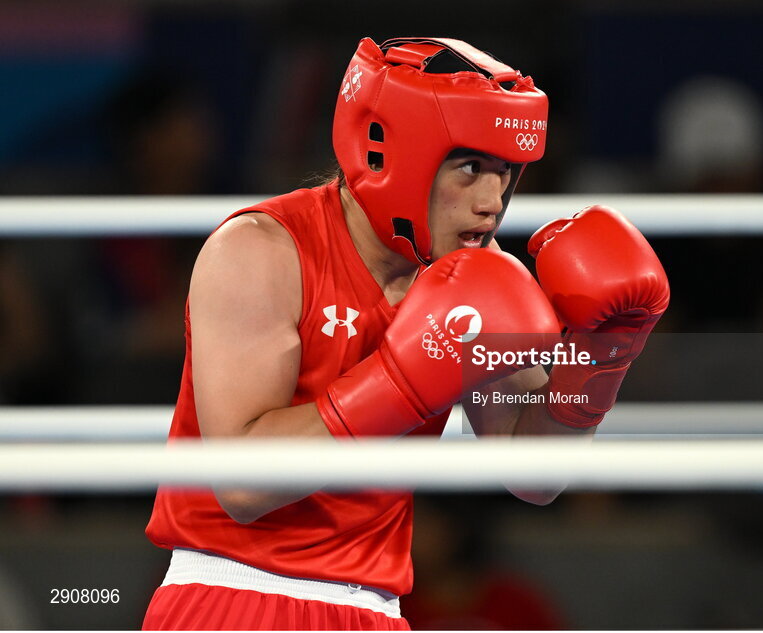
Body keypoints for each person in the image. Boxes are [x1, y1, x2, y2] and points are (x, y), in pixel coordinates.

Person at [142, 36, 669, 630]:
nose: (492, 203)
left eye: (505, 173)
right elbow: (243, 484)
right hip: (234, 595)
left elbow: (535, 474)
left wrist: (600, 358)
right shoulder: (262, 251)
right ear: (388, 153)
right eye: (471, 169)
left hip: (376, 610)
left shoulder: (479, 277)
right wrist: (405, 377)